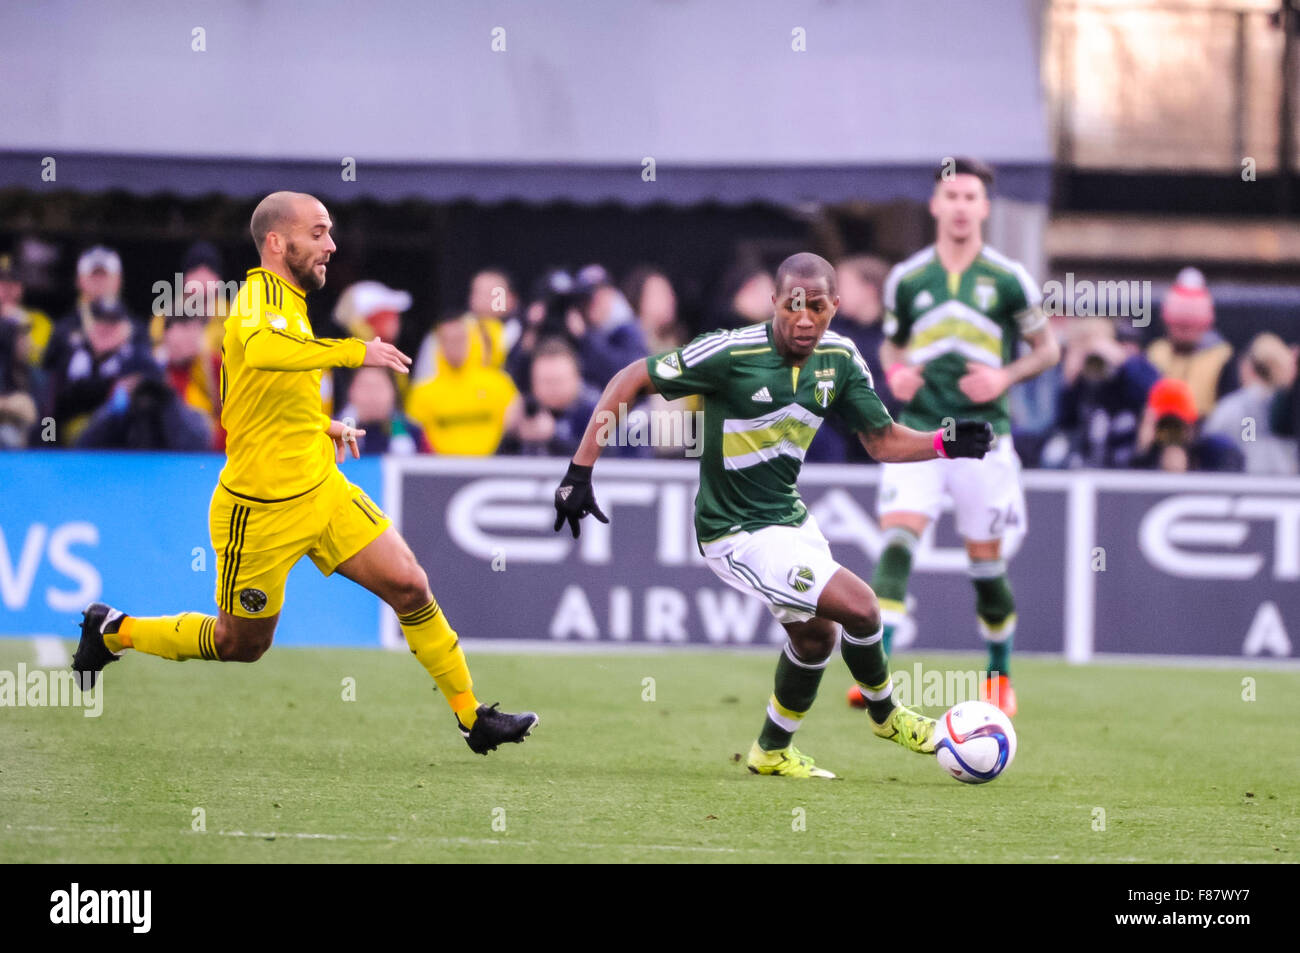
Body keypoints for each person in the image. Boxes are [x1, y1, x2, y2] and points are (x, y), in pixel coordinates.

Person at [71, 191, 536, 756]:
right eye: (317, 233)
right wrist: (350, 352)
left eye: (330, 232)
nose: (331, 245)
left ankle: (472, 717)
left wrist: (322, 426)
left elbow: (268, 393)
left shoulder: (290, 301)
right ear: (276, 242)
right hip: (261, 510)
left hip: (321, 488)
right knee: (240, 643)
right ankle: (114, 630)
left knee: (410, 585)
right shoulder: (253, 301)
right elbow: (267, 351)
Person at [552, 252, 994, 778]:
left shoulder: (841, 359)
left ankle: (771, 751)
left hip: (787, 517)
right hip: (734, 532)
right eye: (793, 306)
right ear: (774, 303)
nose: (805, 319)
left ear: (836, 306)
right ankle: (887, 716)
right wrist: (580, 471)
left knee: (815, 638)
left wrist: (943, 443)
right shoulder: (731, 352)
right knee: (861, 607)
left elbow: (881, 440)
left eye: (819, 307)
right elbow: (630, 377)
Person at [850, 158, 1061, 719]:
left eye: (971, 196)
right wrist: (895, 372)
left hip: (984, 438)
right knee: (897, 540)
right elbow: (893, 346)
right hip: (919, 432)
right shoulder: (909, 278)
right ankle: (877, 678)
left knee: (985, 563)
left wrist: (1003, 376)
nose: (962, 206)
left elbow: (1048, 351)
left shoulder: (1009, 277)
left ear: (984, 208)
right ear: (935, 205)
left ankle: (999, 676)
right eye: (953, 196)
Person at [1042, 317, 1159, 469]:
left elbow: (1155, 391)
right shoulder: (1075, 382)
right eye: (1083, 343)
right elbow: (1060, 424)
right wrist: (1068, 383)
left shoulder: (1130, 371)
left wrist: (1121, 360)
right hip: (1085, 466)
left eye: (1095, 342)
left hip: (1127, 464)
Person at [405, 312, 521, 455]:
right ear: (439, 344)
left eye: (460, 339)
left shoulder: (499, 384)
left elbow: (514, 427)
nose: (454, 346)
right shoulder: (422, 392)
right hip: (441, 470)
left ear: (471, 339)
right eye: (447, 340)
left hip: (494, 465)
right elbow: (415, 439)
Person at [1202, 332, 1297, 475]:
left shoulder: (1235, 406)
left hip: (1247, 485)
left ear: (1248, 366)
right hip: (1285, 486)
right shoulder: (1289, 404)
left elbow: (1208, 441)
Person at [1146, 267, 1236, 417]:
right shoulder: (1156, 353)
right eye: (1178, 326)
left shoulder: (1221, 358)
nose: (1183, 333)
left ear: (1204, 325)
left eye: (1189, 327)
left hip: (1204, 429)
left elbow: (1228, 409)